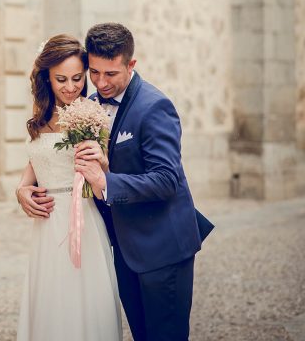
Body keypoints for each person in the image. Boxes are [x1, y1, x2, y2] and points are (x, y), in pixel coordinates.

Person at [72, 23, 214, 341]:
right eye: (94, 72)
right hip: (124, 247)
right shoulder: (92, 106)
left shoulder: (154, 107)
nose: (100, 82)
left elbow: (166, 180)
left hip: (162, 247)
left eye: (110, 74)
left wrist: (106, 181)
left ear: (131, 65)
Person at [15, 34, 122, 341]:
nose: (71, 87)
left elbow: (104, 170)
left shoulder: (89, 115)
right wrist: (22, 188)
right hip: (46, 226)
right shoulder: (40, 117)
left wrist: (101, 161)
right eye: (61, 79)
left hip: (82, 221)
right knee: (49, 303)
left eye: (77, 78)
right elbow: (38, 159)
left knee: (82, 303)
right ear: (46, 78)